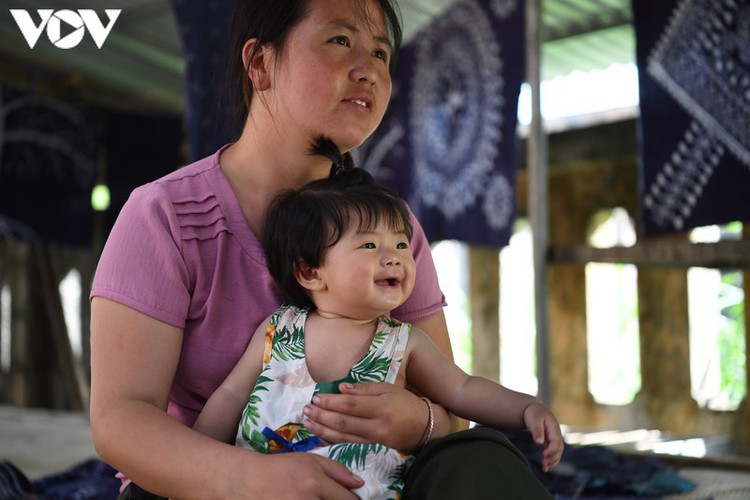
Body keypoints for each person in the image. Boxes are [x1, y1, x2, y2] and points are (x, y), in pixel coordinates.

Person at [89, 0, 557, 498]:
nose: (370, 70)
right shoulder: (165, 216)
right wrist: (255, 479)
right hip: (218, 485)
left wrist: (420, 423)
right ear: (260, 64)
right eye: (340, 41)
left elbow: (452, 406)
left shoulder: (395, 230)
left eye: (380, 52)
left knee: (479, 458)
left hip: (367, 485)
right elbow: (120, 420)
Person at [192, 142, 564, 499]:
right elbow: (230, 395)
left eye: (401, 244)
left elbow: (462, 391)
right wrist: (195, 470)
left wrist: (525, 407)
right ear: (309, 271)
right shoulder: (279, 330)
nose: (394, 257)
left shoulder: (405, 342)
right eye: (369, 245)